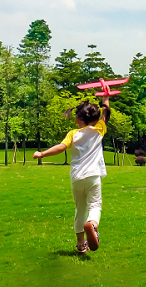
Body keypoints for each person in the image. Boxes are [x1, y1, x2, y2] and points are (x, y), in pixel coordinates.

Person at [33, 95, 111, 254]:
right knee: (95, 205)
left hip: (77, 178)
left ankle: (81, 244)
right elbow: (106, 113)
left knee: (80, 209)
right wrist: (106, 97)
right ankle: (93, 225)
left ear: (77, 119)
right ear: (95, 119)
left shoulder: (73, 134)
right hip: (93, 176)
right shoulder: (99, 130)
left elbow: (60, 148)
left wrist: (42, 154)